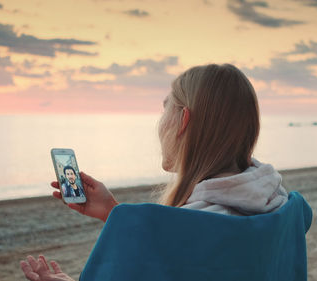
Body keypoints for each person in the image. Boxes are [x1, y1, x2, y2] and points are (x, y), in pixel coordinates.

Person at [20, 64, 289, 281]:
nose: (160, 125)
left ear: (184, 120)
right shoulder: (279, 208)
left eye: (165, 108)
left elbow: (175, 248)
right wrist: (114, 212)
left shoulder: (190, 232)